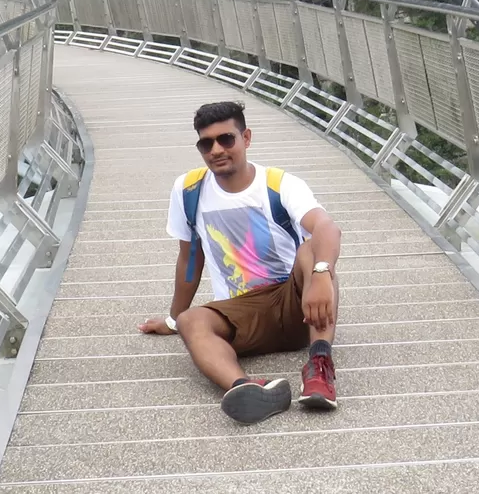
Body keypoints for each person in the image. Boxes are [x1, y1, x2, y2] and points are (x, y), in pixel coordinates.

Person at [139, 100, 341, 425]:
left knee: (311, 250)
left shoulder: (278, 184)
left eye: (226, 139)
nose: (216, 149)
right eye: (206, 143)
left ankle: (319, 367)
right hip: (241, 314)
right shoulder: (188, 190)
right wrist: (175, 319)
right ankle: (247, 388)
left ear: (246, 138)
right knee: (192, 321)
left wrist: (320, 275)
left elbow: (327, 228)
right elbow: (190, 260)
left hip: (295, 304)